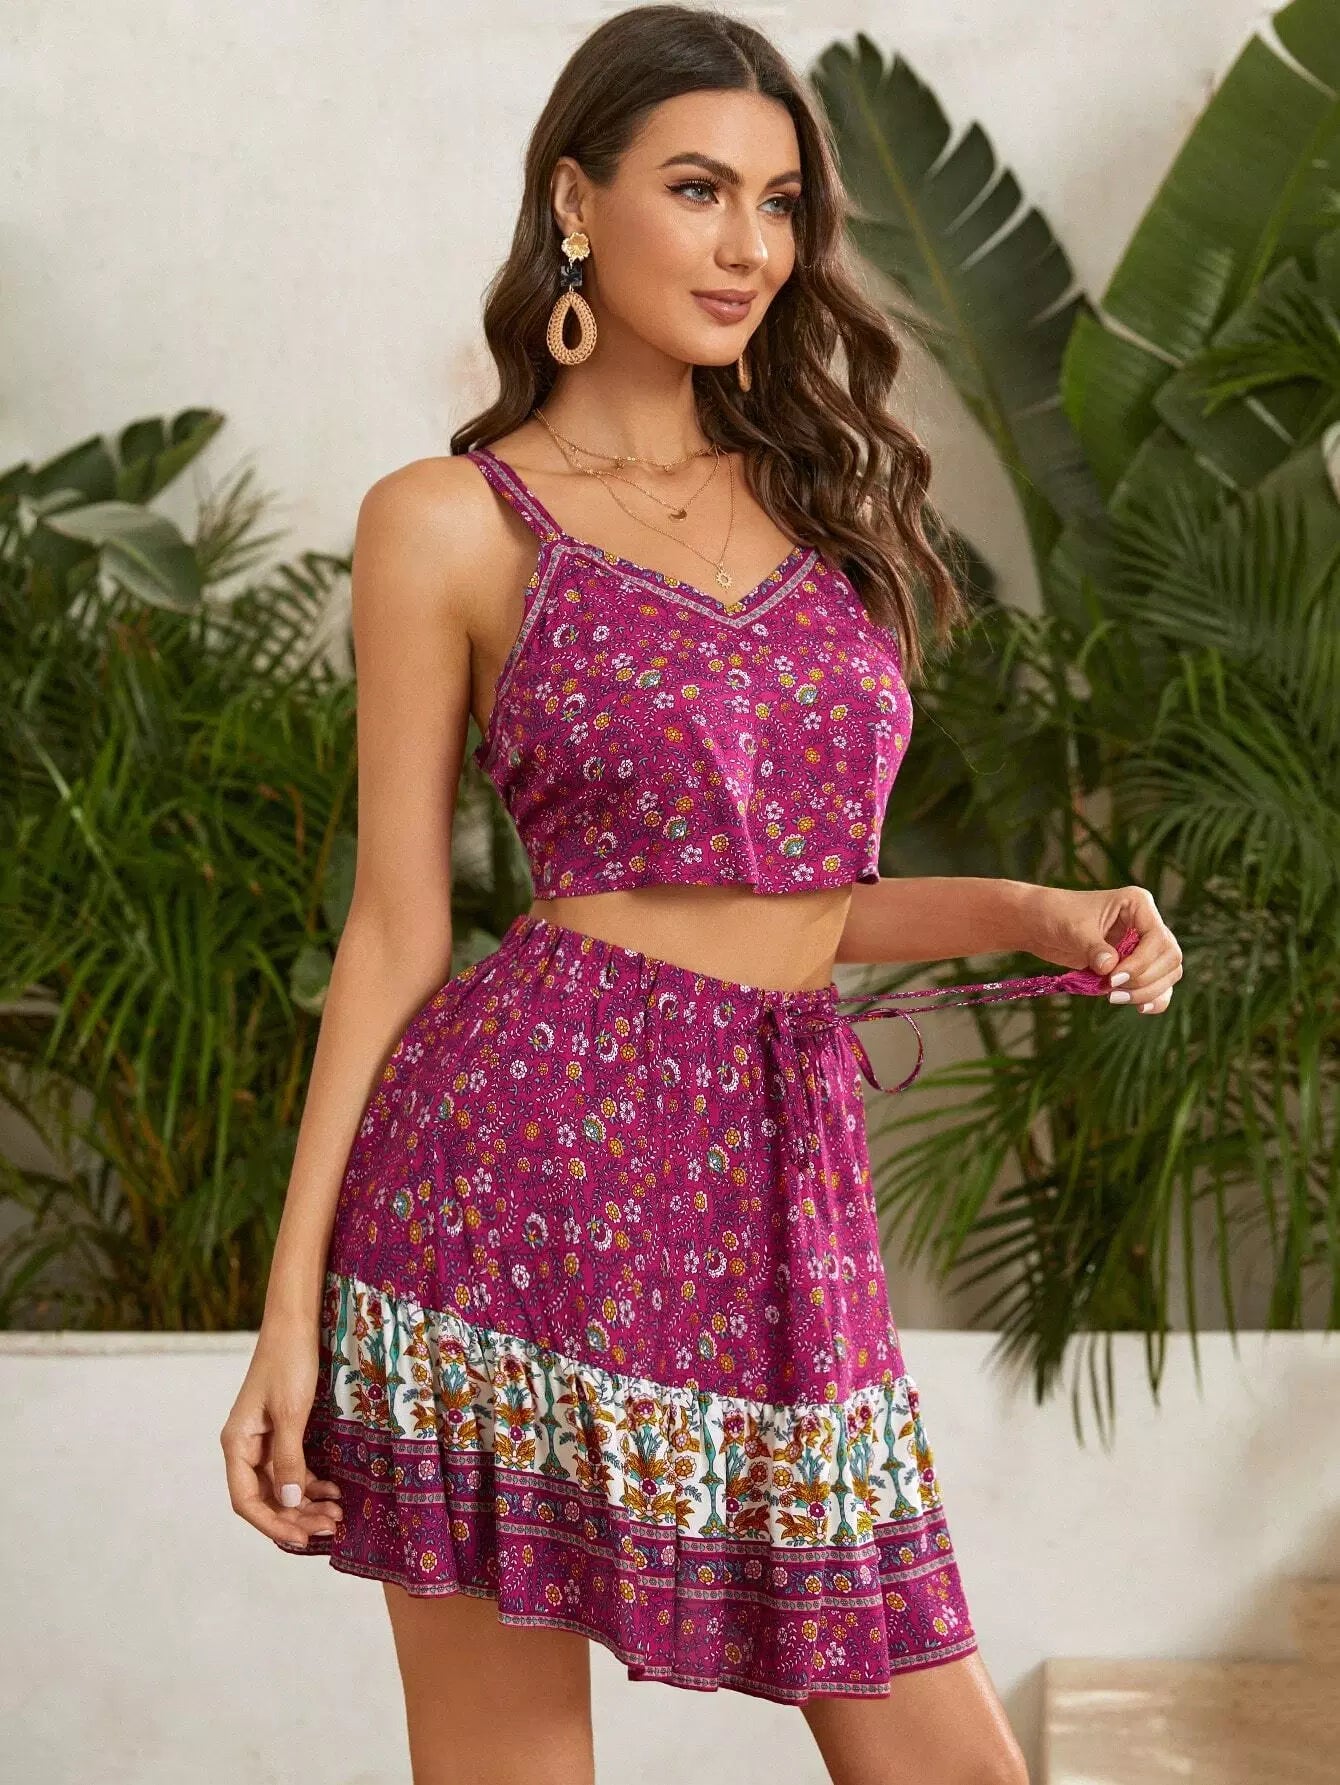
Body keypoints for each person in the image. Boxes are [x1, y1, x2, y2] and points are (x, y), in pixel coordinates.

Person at [220, 8, 1181, 1782]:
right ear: (574, 202)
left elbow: (797, 907)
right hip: (510, 1182)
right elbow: (397, 928)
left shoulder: (825, 512)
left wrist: (1041, 906)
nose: (750, 244)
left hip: (774, 1178)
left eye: (780, 200)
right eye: (697, 189)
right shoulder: (449, 518)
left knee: (954, 1765)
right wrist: (289, 1315)